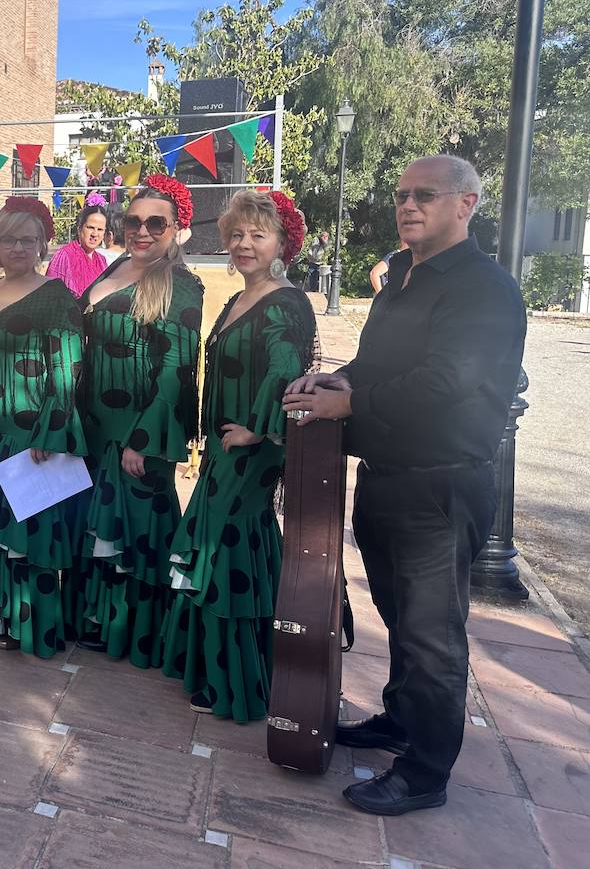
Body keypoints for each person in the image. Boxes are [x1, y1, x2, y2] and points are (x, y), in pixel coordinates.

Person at [284, 155, 526, 816]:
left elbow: (447, 381)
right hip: (390, 480)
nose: (408, 204)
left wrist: (351, 406)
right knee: (402, 621)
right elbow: (380, 363)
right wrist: (336, 379)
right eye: (400, 195)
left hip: (440, 489)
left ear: (466, 203)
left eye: (425, 194)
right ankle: (400, 720)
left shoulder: (482, 287)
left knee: (431, 635)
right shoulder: (402, 279)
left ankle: (425, 771)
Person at [157, 189, 316, 722]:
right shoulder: (240, 297)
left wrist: (257, 429)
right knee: (231, 544)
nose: (245, 244)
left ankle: (238, 683)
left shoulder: (286, 300)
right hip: (227, 447)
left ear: (282, 243)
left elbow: (287, 363)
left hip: (251, 448)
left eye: (258, 234)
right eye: (237, 234)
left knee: (225, 546)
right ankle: (230, 666)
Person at [67, 175, 203, 665]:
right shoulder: (118, 266)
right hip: (96, 425)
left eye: (155, 223)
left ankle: (135, 633)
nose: (142, 231)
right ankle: (95, 619)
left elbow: (176, 369)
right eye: (133, 221)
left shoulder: (181, 283)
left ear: (177, 228)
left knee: (137, 528)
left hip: (137, 430)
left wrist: (143, 440)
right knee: (95, 524)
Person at [0, 195, 85, 658]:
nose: (18, 248)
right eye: (9, 239)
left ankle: (28, 624)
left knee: (28, 533)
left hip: (30, 433)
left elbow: (67, 369)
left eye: (28, 240)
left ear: (43, 244)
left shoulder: (56, 297)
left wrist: (52, 431)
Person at [45, 199, 109, 296]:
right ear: (79, 228)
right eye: (90, 228)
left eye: (100, 229)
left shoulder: (101, 261)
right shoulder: (64, 256)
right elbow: (50, 293)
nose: (95, 234)